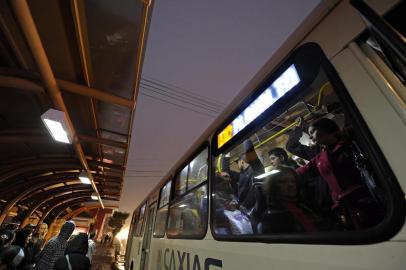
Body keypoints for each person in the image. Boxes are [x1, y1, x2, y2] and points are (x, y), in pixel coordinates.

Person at [296, 118, 381, 229]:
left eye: (312, 132)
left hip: (366, 198)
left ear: (325, 129)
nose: (310, 137)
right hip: (343, 206)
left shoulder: (351, 143)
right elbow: (302, 171)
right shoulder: (319, 157)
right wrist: (282, 174)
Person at [260, 166, 320, 233]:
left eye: (293, 181)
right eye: (283, 181)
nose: (290, 184)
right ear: (273, 185)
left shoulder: (304, 204)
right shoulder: (271, 216)